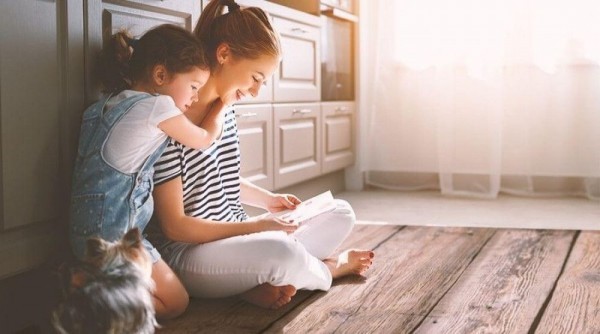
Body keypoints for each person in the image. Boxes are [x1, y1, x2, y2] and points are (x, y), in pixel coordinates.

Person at [148, 0, 375, 310]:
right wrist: (259, 226)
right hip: (189, 254)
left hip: (233, 237)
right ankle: (329, 269)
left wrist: (268, 201)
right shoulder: (172, 117)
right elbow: (175, 227)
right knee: (282, 252)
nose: (255, 91)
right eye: (255, 77)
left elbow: (219, 175)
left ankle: (251, 281)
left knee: (340, 211)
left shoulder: (224, 111)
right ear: (224, 54)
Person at [69, 24, 224, 318]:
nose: (194, 98)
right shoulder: (158, 107)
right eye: (193, 87)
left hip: (81, 235)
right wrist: (220, 108)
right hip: (117, 238)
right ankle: (94, 293)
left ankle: (94, 282)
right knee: (176, 302)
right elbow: (203, 140)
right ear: (161, 76)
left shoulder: (100, 108)